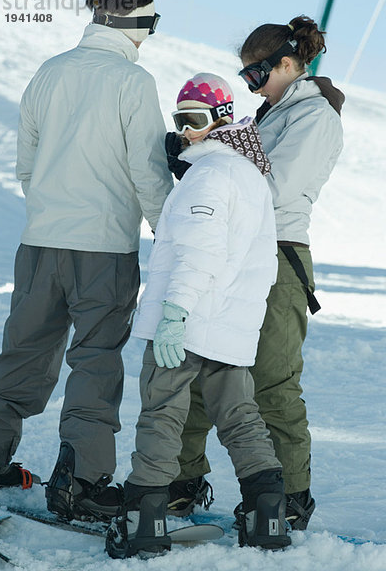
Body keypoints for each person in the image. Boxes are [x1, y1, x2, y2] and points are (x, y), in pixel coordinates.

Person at [0, 0, 173, 522]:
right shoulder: (131, 82)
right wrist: (173, 238)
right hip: (105, 248)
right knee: (94, 359)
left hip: (40, 242)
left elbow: (25, 164)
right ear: (136, 17)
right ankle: (82, 480)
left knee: (22, 351)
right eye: (152, 22)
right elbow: (148, 171)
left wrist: (51, 207)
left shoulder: (48, 72)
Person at [168, 16, 344, 531]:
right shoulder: (270, 113)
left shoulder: (313, 117)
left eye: (257, 74)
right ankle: (182, 477)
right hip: (234, 251)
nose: (251, 85)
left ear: (289, 63)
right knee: (201, 364)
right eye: (244, 78)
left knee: (270, 379)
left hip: (278, 253)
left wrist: (208, 167)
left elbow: (273, 191)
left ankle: (288, 495)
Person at [105, 73, 292, 559]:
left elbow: (199, 253)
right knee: (239, 416)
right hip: (227, 328)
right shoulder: (250, 176)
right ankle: (267, 512)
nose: (185, 131)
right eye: (179, 120)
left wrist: (174, 313)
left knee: (162, 414)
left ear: (222, 119)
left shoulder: (209, 177)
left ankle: (143, 519)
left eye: (195, 120)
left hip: (186, 324)